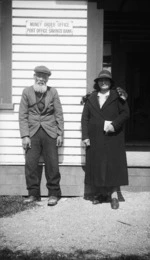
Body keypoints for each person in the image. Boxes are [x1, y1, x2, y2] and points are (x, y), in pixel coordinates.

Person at [81, 69, 130, 209]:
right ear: (97, 83)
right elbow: (85, 118)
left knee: (113, 165)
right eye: (101, 80)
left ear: (110, 82)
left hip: (113, 136)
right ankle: (101, 194)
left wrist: (115, 125)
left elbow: (126, 113)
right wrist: (85, 136)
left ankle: (114, 195)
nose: (103, 82)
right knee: (98, 165)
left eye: (106, 80)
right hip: (95, 137)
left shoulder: (118, 96)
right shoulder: (91, 98)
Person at [19, 65, 64, 206]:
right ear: (34, 76)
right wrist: (25, 135)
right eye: (39, 76)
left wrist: (60, 133)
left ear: (47, 78)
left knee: (52, 163)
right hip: (32, 132)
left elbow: (59, 114)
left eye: (44, 77)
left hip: (50, 131)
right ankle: (33, 194)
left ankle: (53, 194)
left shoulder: (53, 92)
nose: (41, 79)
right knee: (31, 164)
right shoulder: (26, 92)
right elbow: (23, 115)